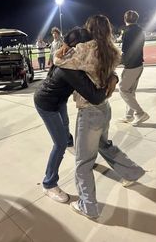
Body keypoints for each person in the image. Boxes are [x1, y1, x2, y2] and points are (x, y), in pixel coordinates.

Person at [54, 15, 145, 219]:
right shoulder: (112, 50)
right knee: (104, 145)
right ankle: (132, 172)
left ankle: (88, 206)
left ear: (90, 29)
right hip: (105, 107)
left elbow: (58, 60)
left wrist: (66, 45)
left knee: (83, 162)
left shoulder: (86, 49)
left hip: (89, 112)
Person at [34, 51, 118, 203]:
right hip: (46, 103)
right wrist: (109, 84)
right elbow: (95, 97)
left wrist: (114, 75)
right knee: (59, 144)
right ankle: (49, 183)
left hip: (58, 100)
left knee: (65, 126)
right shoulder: (70, 67)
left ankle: (69, 144)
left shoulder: (70, 60)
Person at [118, 10, 149, 126]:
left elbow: (125, 51)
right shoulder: (141, 31)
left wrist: (118, 62)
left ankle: (140, 113)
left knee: (122, 89)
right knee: (130, 91)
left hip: (131, 66)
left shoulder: (127, 32)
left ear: (125, 19)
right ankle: (129, 116)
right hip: (139, 64)